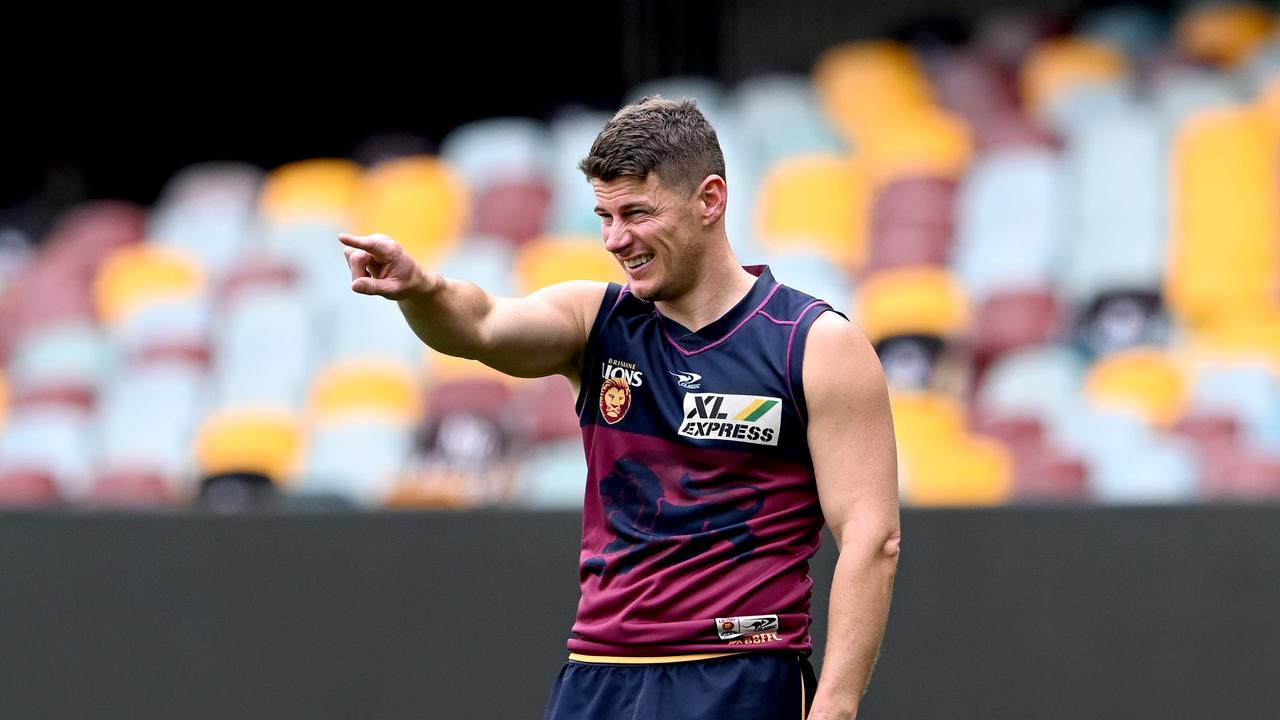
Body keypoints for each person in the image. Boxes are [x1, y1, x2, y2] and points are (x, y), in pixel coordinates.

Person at [340, 96, 899, 720]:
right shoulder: (596, 321)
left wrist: (836, 707)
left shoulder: (813, 343)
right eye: (604, 216)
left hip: (739, 675)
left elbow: (871, 538)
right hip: (598, 676)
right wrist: (422, 290)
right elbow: (484, 325)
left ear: (709, 200)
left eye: (635, 213)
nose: (615, 239)